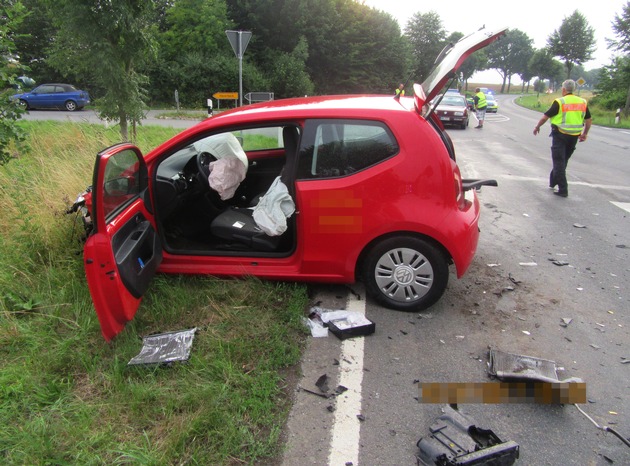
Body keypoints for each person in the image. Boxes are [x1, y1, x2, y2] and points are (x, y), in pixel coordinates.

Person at [533, 79, 592, 198]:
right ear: (574, 89)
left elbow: (545, 117)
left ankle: (563, 189)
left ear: (564, 89)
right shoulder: (582, 102)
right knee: (563, 160)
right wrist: (585, 133)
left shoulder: (560, 102)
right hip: (574, 136)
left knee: (559, 161)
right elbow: (588, 120)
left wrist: (537, 126)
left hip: (560, 134)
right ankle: (553, 181)